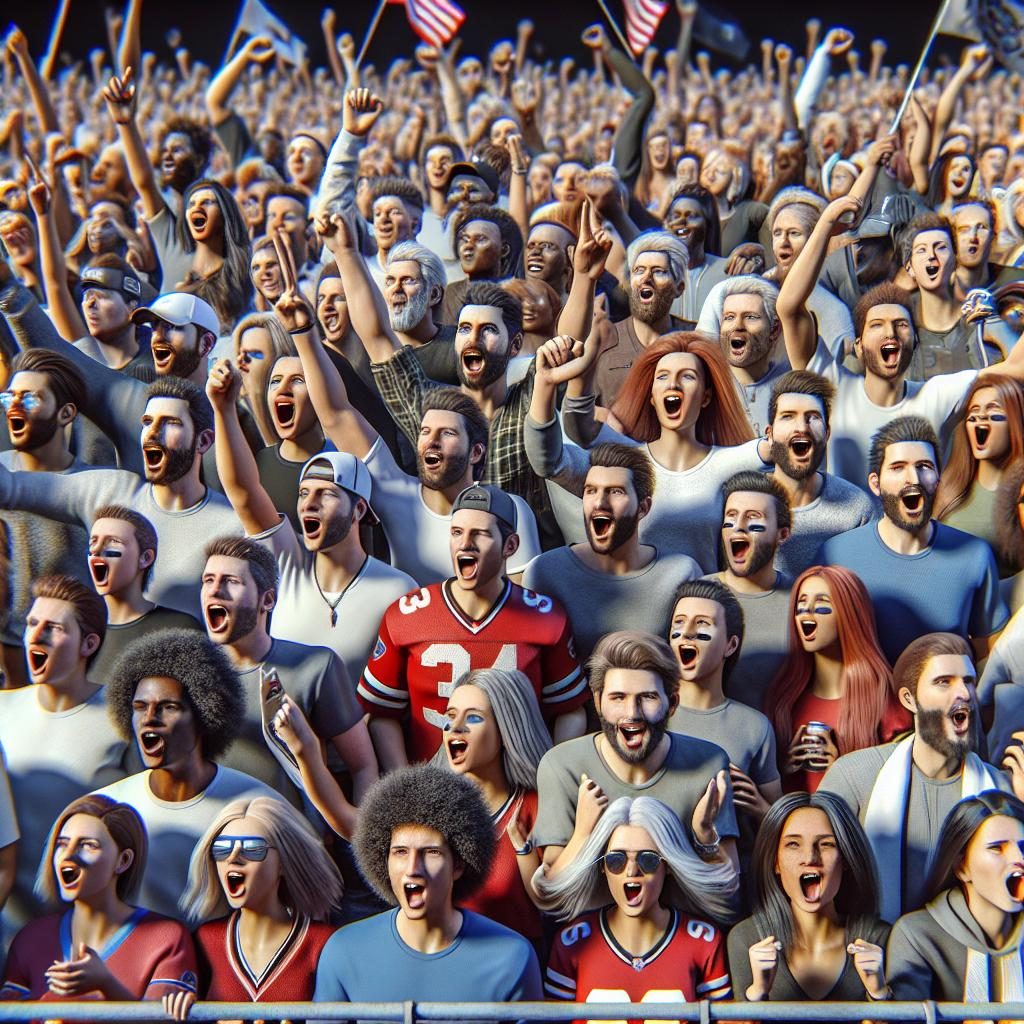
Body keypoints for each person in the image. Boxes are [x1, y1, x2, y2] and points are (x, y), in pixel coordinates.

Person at [777, 196, 1024, 490]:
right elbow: (789, 307)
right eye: (877, 325)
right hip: (849, 533)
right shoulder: (832, 387)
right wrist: (827, 222)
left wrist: (995, 324)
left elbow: (1017, 368)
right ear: (858, 345)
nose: (890, 333)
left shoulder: (936, 396)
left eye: (901, 324)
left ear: (914, 340)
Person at [287, 312, 542, 583]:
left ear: (476, 452)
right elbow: (336, 414)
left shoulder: (509, 510)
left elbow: (521, 605)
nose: (431, 441)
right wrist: (303, 334)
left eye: (447, 433)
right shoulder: (397, 494)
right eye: (425, 432)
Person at [207, 355, 415, 686]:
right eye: (304, 494)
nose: (309, 505)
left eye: (326, 495)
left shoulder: (398, 590)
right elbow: (243, 492)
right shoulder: (288, 564)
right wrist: (223, 409)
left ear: (359, 510)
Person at [359, 483, 587, 767]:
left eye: (480, 534)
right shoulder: (407, 615)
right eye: (457, 532)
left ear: (511, 546)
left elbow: (570, 711)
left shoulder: (545, 618)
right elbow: (382, 714)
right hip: (433, 789)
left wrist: (549, 778)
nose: (465, 543)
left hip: (517, 788)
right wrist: (407, 787)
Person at [0, 374, 243, 621]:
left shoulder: (230, 527)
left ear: (203, 441)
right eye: (147, 422)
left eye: (170, 423)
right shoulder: (111, 492)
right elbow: (11, 487)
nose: (152, 433)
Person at [527, 332, 765, 575]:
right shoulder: (627, 463)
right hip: (636, 600)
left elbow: (774, 451)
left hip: (700, 606)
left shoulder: (728, 463)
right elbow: (550, 460)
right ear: (652, 396)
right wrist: (545, 383)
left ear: (705, 397)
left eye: (688, 376)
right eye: (663, 377)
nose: (673, 385)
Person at [313, 764, 543, 1011]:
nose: (413, 868)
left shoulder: (511, 957)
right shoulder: (343, 952)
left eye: (431, 852)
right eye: (400, 852)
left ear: (459, 865)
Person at [820, 632, 1016, 921]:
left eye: (969, 681)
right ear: (909, 699)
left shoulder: (1002, 789)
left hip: (966, 959)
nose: (963, 693)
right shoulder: (854, 776)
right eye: (944, 682)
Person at [97, 628, 282, 921]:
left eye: (168, 707)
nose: (149, 719)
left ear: (206, 714)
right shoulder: (107, 809)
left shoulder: (256, 805)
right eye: (139, 707)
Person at [534, 630, 739, 880]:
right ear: (598, 702)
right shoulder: (561, 767)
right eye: (618, 697)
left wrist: (704, 835)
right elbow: (552, 896)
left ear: (672, 703)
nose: (632, 713)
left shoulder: (708, 765)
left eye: (648, 697)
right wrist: (584, 834)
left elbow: (729, 901)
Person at [199, 535, 377, 806]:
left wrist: (359, 839)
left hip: (294, 838)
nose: (214, 590)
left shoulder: (316, 667)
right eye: (208, 580)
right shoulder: (189, 673)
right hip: (211, 837)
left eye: (231, 581)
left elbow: (363, 767)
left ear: (267, 600)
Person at [818, 416, 1008, 665]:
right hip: (863, 701)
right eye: (898, 467)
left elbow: (987, 647)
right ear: (875, 484)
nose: (914, 479)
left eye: (924, 466)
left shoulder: (975, 554)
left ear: (938, 480)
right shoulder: (835, 555)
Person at [0, 576, 128, 937]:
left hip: (88, 934)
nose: (35, 636)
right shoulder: (2, 710)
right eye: (31, 624)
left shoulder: (121, 720)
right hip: (6, 931)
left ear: (89, 643)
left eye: (53, 627)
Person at [539, 796, 737, 1013]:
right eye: (616, 860)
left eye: (648, 860)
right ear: (602, 866)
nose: (632, 871)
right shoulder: (572, 942)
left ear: (668, 865)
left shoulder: (703, 941)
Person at [0, 795, 198, 1004]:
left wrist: (106, 985)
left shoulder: (166, 939)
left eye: (87, 845)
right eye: (62, 844)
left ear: (123, 861)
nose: (68, 856)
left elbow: (164, 1019)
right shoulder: (31, 938)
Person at [522, 443, 700, 663]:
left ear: (643, 508)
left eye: (616, 491)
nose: (599, 502)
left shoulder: (680, 574)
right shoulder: (545, 573)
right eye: (591, 491)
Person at [168, 796, 343, 1015]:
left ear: (283, 863)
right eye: (222, 849)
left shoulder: (324, 943)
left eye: (252, 849)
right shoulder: (204, 940)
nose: (233, 857)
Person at [726, 791, 890, 1003]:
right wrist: (757, 993)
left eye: (826, 844)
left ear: (847, 860)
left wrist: (880, 995)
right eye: (793, 844)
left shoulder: (880, 939)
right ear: (775, 861)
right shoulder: (746, 939)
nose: (810, 858)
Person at [767, 565, 908, 794]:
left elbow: (897, 790)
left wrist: (843, 771)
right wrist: (781, 769)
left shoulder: (884, 700)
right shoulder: (784, 698)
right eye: (801, 605)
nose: (807, 613)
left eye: (821, 605)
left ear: (849, 614)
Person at [0, 348, 91, 687]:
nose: (14, 407)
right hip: (7, 659)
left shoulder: (94, 487)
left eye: (30, 399)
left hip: (74, 667)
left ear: (65, 413)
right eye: (10, 397)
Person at [440, 668, 550, 943]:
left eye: (473, 718)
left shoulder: (537, 807)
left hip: (519, 968)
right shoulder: (432, 809)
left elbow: (553, 903)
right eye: (451, 717)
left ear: (507, 728)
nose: (456, 728)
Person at [885, 791, 1024, 1003]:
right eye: (997, 848)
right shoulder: (917, 935)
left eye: (1022, 848)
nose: (1019, 859)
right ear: (962, 867)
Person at [668, 579, 782, 828]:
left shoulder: (755, 727)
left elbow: (781, 822)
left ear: (730, 645)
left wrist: (761, 809)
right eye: (678, 623)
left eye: (702, 624)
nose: (686, 632)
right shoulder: (650, 714)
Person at [764, 371, 877, 579]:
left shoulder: (857, 508)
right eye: (788, 416)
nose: (801, 428)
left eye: (813, 417)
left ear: (827, 433)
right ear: (769, 435)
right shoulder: (741, 499)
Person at [88, 505, 202, 683]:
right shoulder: (81, 634)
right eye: (93, 542)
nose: (96, 550)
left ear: (145, 558)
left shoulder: (179, 630)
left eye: (113, 542)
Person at [709, 472, 794, 708]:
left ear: (782, 534)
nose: (739, 528)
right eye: (731, 518)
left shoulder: (801, 600)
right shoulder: (696, 596)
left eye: (754, 519)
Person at [589, 232, 691, 409]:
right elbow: (575, 410)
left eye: (659, 271)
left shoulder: (695, 339)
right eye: (639, 270)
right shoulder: (605, 341)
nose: (646, 278)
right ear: (628, 285)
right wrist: (599, 414)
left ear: (679, 288)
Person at [935, 374, 1024, 561]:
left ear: (1015, 424)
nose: (981, 418)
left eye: (995, 414)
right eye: (973, 416)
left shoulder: (1020, 496)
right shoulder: (947, 489)